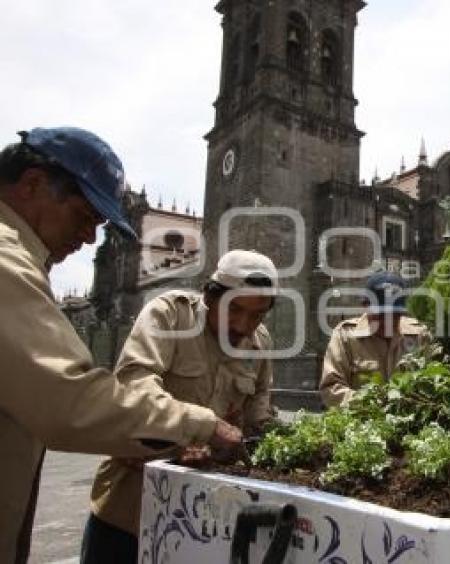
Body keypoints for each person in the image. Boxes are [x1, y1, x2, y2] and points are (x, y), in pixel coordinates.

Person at [0, 127, 242, 563]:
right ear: (33, 184)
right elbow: (69, 401)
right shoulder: (6, 263)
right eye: (84, 216)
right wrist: (199, 424)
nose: (91, 239)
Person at [81, 249, 279, 563]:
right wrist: (197, 432)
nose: (243, 324)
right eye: (234, 309)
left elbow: (259, 412)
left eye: (256, 315)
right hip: (132, 506)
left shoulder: (260, 344)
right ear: (211, 296)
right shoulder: (169, 315)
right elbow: (136, 387)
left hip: (202, 518)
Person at [319, 272, 431, 407]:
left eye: (394, 315)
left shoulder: (420, 335)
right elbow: (331, 388)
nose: (387, 322)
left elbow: (432, 384)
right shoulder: (345, 337)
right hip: (362, 423)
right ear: (366, 308)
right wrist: (374, 404)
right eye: (380, 314)